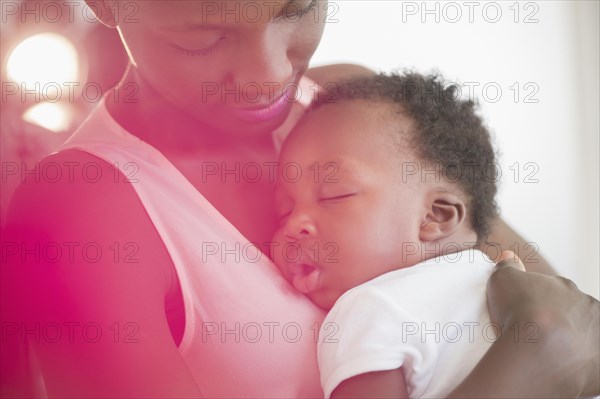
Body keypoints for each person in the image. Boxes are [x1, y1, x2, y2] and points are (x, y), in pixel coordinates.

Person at [2, 1, 598, 398]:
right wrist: (531, 365)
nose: (267, 77)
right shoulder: (77, 212)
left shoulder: (359, 111)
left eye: (297, 8)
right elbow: (557, 341)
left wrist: (557, 344)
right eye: (202, 36)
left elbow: (580, 330)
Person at [271, 71, 504, 398]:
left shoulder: (369, 310)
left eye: (334, 195)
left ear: (434, 217)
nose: (294, 224)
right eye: (283, 211)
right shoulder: (506, 284)